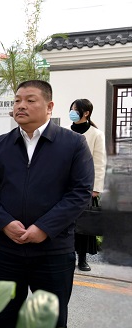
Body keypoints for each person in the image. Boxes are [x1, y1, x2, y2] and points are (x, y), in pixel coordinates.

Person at [0, 80, 94, 328]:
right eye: (17, 100)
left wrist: (44, 228)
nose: (21, 105)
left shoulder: (73, 143)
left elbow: (80, 192)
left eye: (30, 100)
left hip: (53, 252)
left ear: (49, 106)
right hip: (7, 251)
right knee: (5, 322)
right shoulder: (0, 145)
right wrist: (4, 222)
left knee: (50, 325)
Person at [69, 99, 106, 272]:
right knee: (65, 222)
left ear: (86, 113)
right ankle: (67, 255)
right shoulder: (64, 132)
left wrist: (96, 188)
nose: (72, 111)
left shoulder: (96, 134)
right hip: (64, 185)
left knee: (83, 224)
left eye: (76, 109)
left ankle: (82, 259)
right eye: (72, 108)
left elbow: (99, 163)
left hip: (85, 186)